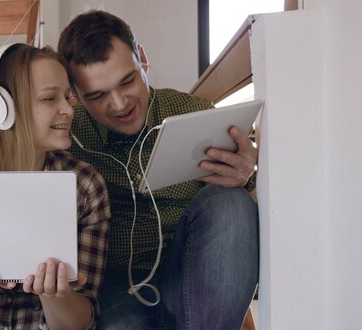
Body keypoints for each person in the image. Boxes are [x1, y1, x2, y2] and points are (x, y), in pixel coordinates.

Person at [58, 10, 259, 330]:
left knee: (232, 204)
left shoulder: (193, 113)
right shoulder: (67, 136)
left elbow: (247, 216)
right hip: (114, 285)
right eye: (97, 95)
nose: (120, 104)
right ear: (75, 94)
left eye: (127, 81)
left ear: (142, 58)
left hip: (194, 269)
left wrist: (248, 177)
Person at [0, 44, 110, 330]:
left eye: (67, 96)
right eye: (50, 98)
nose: (68, 109)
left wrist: (54, 295)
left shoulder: (85, 185)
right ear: (0, 107)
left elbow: (81, 323)